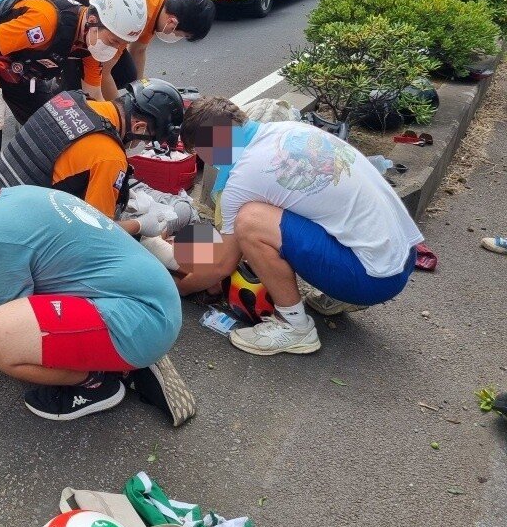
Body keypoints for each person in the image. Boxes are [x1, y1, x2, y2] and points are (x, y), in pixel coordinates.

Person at [0, 176, 183, 422]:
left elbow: (7, 327)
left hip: (142, 321)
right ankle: (119, 357)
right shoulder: (13, 196)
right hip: (156, 298)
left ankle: (97, 382)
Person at [173, 97, 423, 356]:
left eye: (200, 153)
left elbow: (221, 265)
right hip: (401, 256)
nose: (206, 162)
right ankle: (336, 292)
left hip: (372, 279)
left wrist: (178, 288)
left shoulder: (244, 176)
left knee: (250, 221)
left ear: (212, 145)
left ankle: (294, 327)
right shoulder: (288, 130)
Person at [0, 0, 148, 182]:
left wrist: (116, 131)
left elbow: (94, 95)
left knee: (50, 124)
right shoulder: (46, 21)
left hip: (18, 64)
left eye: (121, 45)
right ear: (92, 19)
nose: (113, 49)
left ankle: (30, 184)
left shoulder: (92, 45)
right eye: (113, 41)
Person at [0, 78, 190, 234]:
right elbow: (98, 231)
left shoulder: (71, 98)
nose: (141, 145)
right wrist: (140, 225)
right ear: (139, 126)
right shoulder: (110, 157)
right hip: (10, 230)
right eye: (145, 139)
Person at [50, 0, 216, 90]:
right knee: (86, 71)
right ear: (172, 23)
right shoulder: (138, 16)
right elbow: (104, 72)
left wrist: (140, 91)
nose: (177, 38)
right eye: (182, 35)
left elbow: (139, 50)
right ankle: (62, 90)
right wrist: (124, 116)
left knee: (127, 75)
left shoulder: (160, 4)